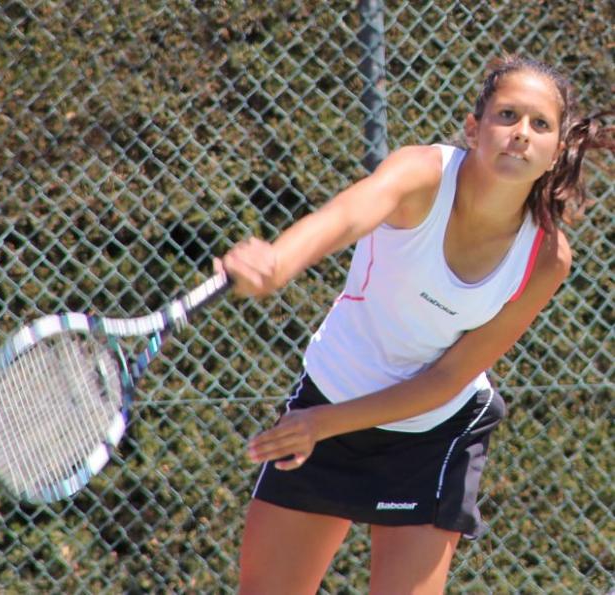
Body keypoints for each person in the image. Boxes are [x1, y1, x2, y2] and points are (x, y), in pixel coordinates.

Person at [218, 55, 613, 594]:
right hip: (332, 393)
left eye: (540, 125)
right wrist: (277, 262)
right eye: (507, 116)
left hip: (434, 433)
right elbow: (344, 216)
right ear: (475, 129)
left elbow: (446, 379)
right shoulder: (420, 174)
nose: (521, 134)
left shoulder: (546, 257)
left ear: (554, 152)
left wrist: (322, 425)